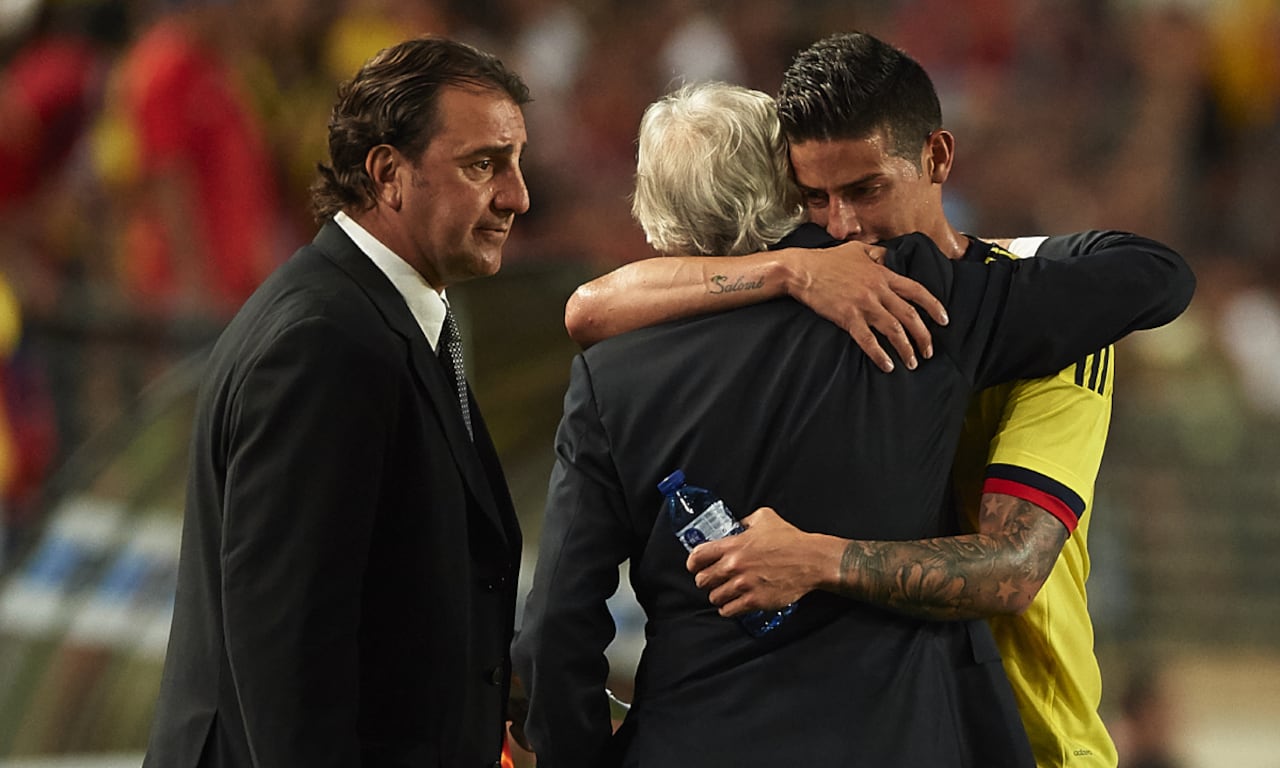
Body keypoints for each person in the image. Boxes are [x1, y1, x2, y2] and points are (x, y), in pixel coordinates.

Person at [512, 81, 1193, 768]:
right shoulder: (912, 296)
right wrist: (999, 252)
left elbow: (554, 631)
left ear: (651, 212)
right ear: (788, 183)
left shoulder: (611, 376)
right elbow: (1155, 278)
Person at [143, 37, 528, 768]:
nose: (516, 195)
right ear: (388, 173)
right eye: (483, 164)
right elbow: (287, 655)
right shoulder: (325, 344)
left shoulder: (373, 317)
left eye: (514, 162)